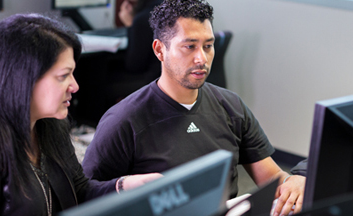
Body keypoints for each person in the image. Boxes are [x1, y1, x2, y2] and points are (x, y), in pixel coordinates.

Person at [82, 0, 306, 215]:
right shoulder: (124, 119)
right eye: (189, 47)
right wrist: (123, 185)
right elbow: (85, 193)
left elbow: (272, 178)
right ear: (160, 50)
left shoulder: (231, 106)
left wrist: (292, 182)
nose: (202, 58)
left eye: (208, 46)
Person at [0, 13, 161, 215]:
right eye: (63, 76)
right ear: (22, 78)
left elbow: (79, 192)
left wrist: (125, 185)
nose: (75, 86)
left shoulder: (48, 125)